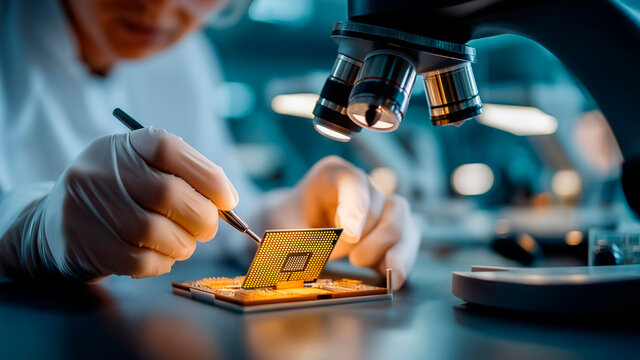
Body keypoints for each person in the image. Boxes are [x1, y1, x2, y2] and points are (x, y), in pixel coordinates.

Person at [0, 0, 420, 288]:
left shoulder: (183, 55)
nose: (159, 7)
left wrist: (292, 217)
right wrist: (27, 233)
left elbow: (223, 219)